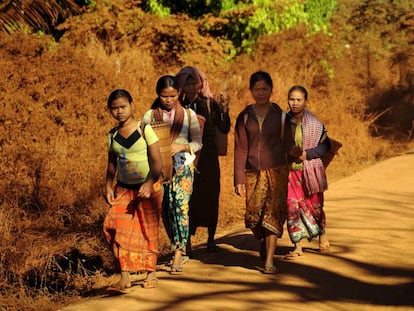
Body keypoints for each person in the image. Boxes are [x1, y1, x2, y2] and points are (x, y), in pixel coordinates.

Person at [234, 71, 297, 273]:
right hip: (252, 173)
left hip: (277, 172)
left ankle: (269, 260)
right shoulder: (244, 117)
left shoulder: (281, 116)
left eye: (264, 89)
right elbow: (241, 148)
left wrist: (306, 155)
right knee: (254, 218)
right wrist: (238, 178)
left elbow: (289, 144)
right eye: (257, 89)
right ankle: (262, 240)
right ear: (251, 91)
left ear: (271, 90)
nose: (261, 93)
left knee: (273, 214)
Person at [103, 89, 163, 291]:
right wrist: (108, 185)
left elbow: (157, 163)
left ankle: (151, 273)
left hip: (148, 187)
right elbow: (112, 164)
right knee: (115, 227)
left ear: (131, 105)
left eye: (123, 107)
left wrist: (148, 183)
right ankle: (125, 276)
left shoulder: (144, 129)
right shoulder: (112, 135)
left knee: (148, 230)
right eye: (114, 108)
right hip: (124, 189)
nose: (119, 111)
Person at [143, 75, 202, 273]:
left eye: (173, 96)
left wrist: (181, 146)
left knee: (181, 207)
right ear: (158, 95)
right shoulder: (149, 117)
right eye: (164, 96)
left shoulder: (188, 115)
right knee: (167, 210)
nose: (169, 100)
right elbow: (142, 141)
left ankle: (179, 251)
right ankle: (178, 243)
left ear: (179, 94)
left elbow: (198, 143)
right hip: (159, 170)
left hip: (183, 167)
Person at [176, 66, 231, 254]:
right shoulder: (177, 105)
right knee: (187, 198)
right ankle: (187, 242)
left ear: (199, 84)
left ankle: (210, 239)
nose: (191, 87)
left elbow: (224, 128)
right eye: (187, 83)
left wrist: (224, 110)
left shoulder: (209, 104)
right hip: (183, 157)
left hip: (208, 158)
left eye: (194, 83)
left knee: (210, 195)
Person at [284, 85, 331, 260]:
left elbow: (326, 145)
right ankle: (297, 246)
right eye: (292, 99)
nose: (294, 103)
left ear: (305, 101)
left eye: (298, 100)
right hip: (290, 172)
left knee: (315, 207)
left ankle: (322, 234)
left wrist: (307, 154)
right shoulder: (282, 122)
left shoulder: (315, 123)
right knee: (291, 206)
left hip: (311, 171)